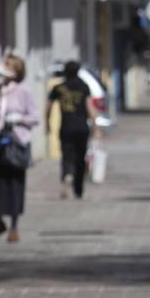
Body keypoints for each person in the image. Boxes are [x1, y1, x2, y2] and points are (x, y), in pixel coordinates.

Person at [0, 54, 39, 242]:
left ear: (17, 71)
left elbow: (35, 117)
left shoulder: (23, 91)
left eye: (8, 65)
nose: (4, 68)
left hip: (14, 143)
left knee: (13, 185)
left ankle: (14, 226)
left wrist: (19, 119)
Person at [46, 61, 93, 199]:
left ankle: (67, 174)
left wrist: (47, 123)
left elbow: (48, 107)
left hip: (66, 127)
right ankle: (78, 190)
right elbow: (90, 107)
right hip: (82, 127)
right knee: (80, 158)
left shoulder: (59, 87)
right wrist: (95, 125)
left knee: (66, 156)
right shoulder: (83, 86)